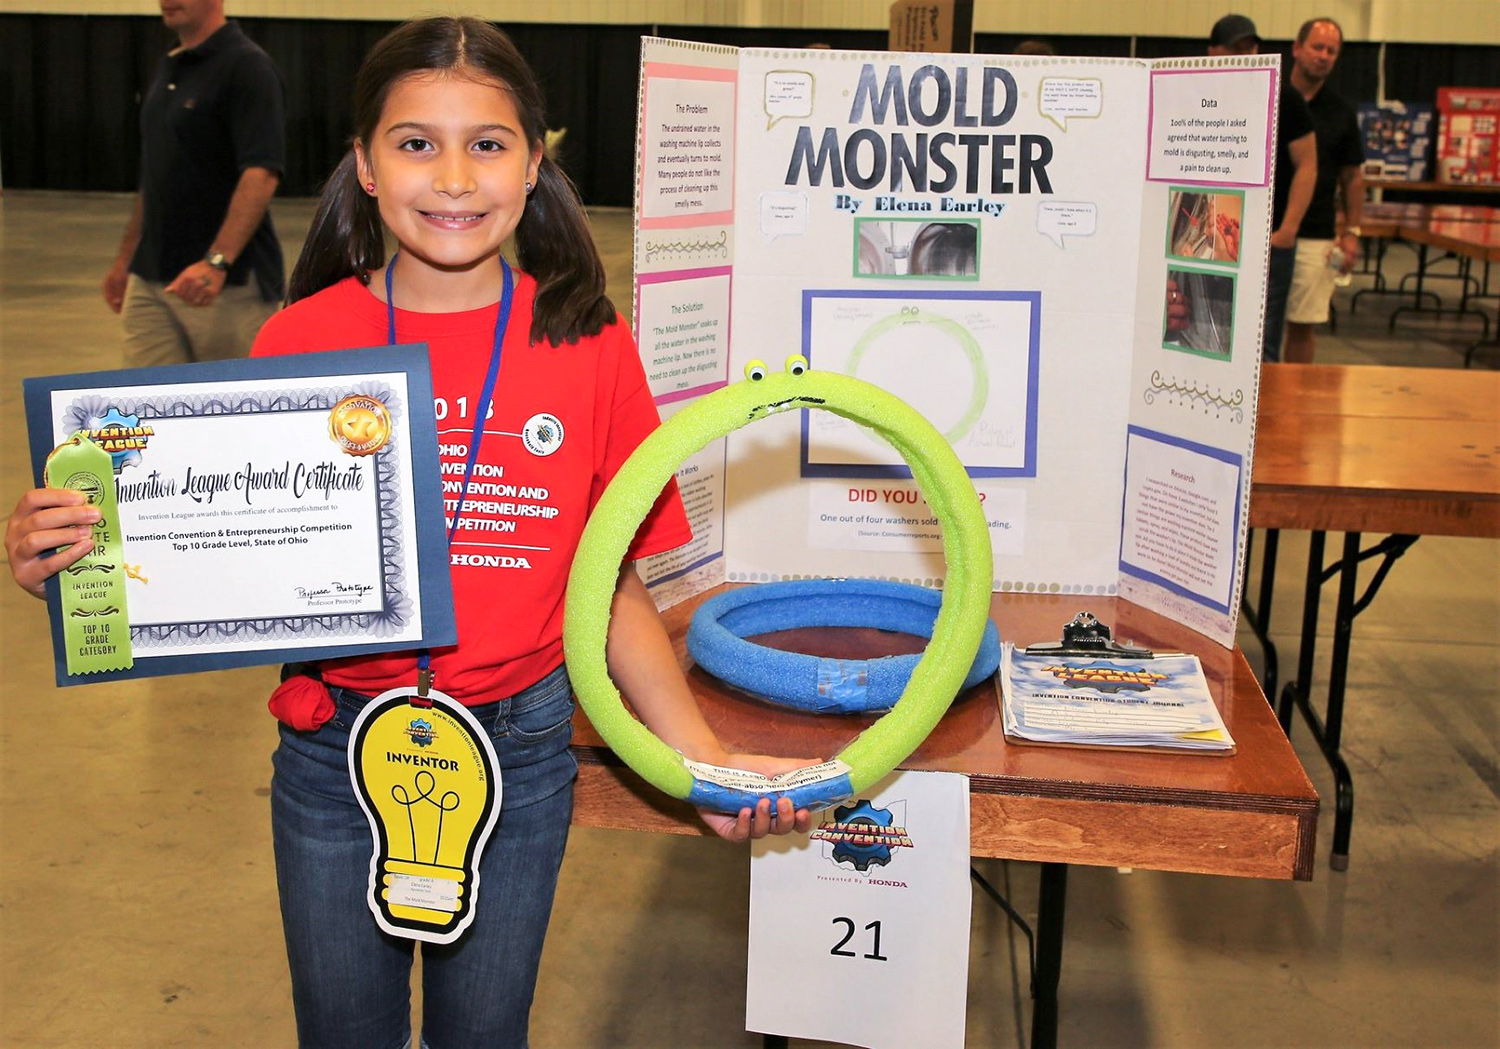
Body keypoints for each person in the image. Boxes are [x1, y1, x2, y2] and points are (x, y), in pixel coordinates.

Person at [10, 16, 812, 1048]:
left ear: (534, 165)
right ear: (367, 165)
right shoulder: (300, 339)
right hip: (331, 752)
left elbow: (608, 587)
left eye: (488, 143)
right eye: (415, 142)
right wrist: (79, 562)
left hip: (520, 755)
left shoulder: (589, 342)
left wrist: (695, 757)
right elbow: (225, 542)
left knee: (484, 1034)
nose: (454, 176)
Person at [101, 0, 286, 367]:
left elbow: (262, 172)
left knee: (232, 411)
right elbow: (154, 174)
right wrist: (126, 259)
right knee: (147, 411)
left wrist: (216, 262)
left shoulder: (247, 67)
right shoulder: (170, 63)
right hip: (151, 277)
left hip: (225, 286)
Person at [1208, 13, 1317, 362]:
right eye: (1236, 48)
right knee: (1211, 331)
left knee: (1263, 341)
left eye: (1252, 47)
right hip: (1215, 234)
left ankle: (1267, 413)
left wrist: (1288, 230)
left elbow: (1307, 165)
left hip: (1267, 239)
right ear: (1214, 52)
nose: (1247, 54)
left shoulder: (1285, 97)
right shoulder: (1196, 92)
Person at [1284, 16, 1366, 364]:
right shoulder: (1270, 96)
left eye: (1332, 51)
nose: (1324, 56)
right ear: (1297, 48)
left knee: (1303, 323)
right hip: (1264, 230)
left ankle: (1293, 402)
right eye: (1317, 47)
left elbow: (1353, 177)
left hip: (1315, 232)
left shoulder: (1341, 112)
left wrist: (1351, 232)